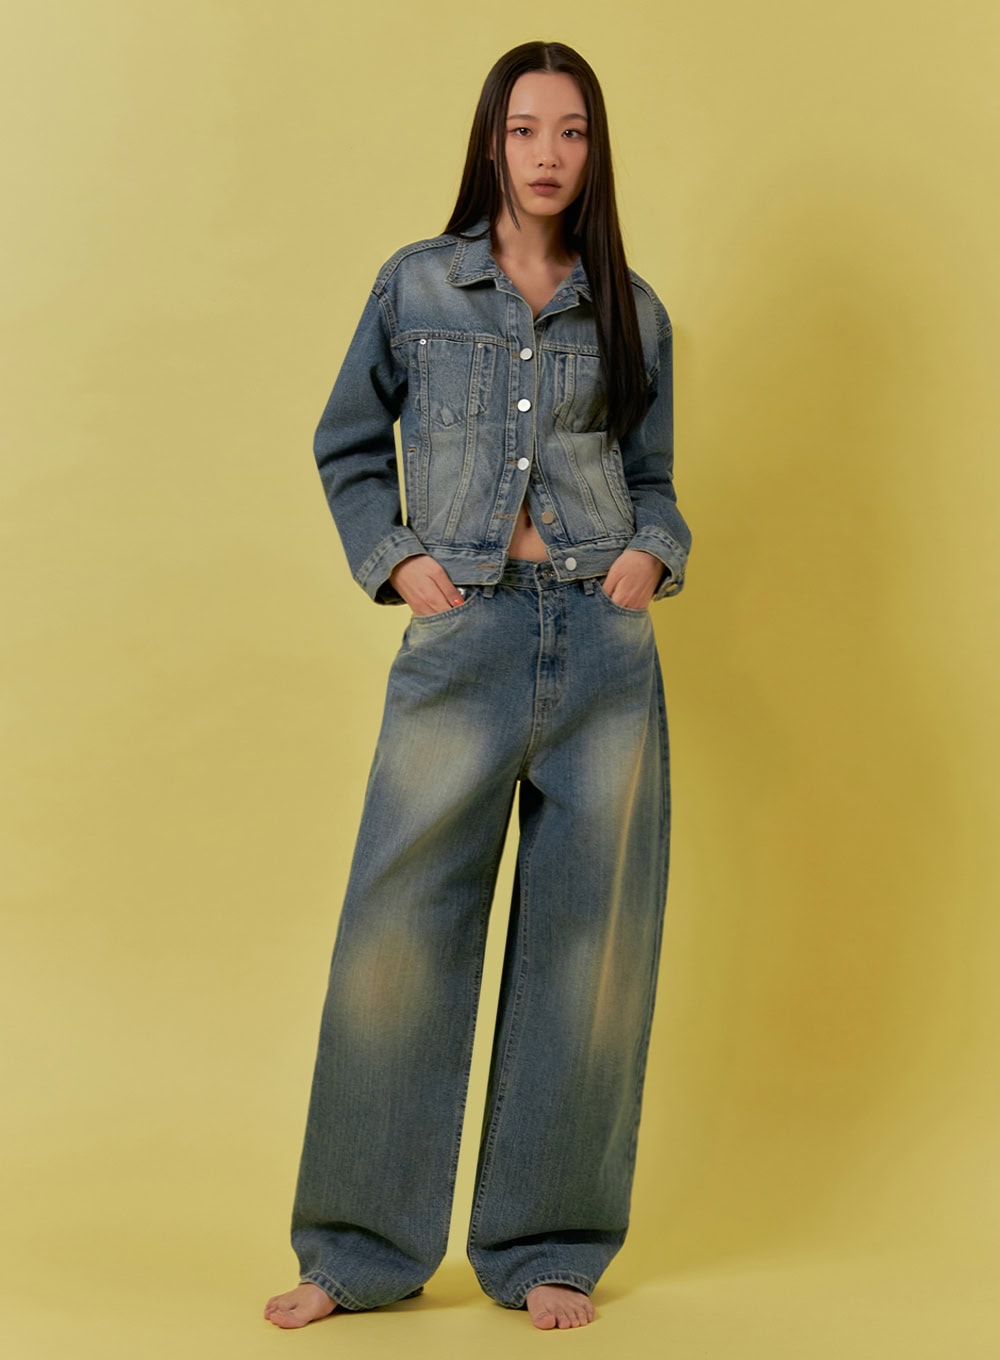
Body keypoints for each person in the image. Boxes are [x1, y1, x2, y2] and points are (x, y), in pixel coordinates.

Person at [264, 40, 691, 1333]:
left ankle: (548, 1243)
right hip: (465, 639)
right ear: (491, 143)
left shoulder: (633, 308)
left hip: (603, 646)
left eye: (572, 131)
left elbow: (656, 482)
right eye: (525, 129)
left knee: (587, 951)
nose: (548, 154)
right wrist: (399, 562)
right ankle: (358, 1250)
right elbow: (348, 446)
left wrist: (651, 554)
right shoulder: (416, 285)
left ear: (595, 149)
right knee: (398, 939)